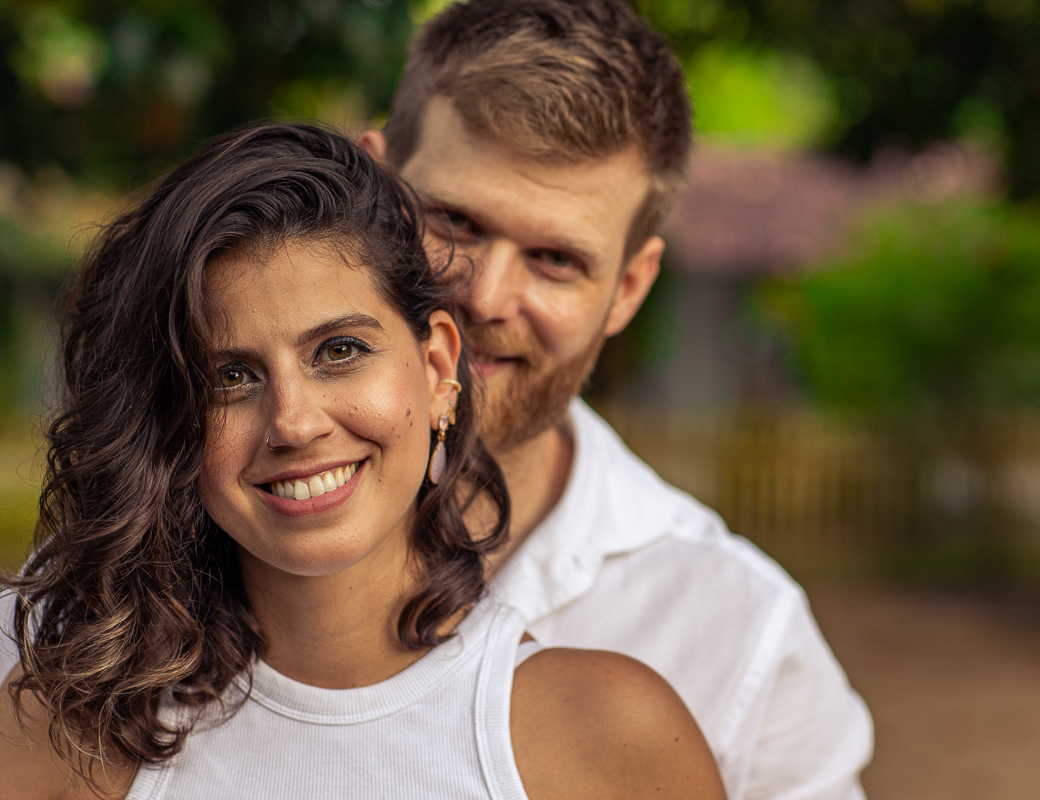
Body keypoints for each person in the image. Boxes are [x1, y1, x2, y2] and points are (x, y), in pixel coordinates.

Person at [0, 124, 726, 800]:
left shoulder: (612, 740)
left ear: (440, 365)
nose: (293, 422)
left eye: (339, 351)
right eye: (229, 376)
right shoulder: (56, 738)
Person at [356, 2, 874, 798]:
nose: (486, 298)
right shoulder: (167, 539)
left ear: (629, 288)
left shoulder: (739, 635)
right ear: (371, 190)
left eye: (556, 259)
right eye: (455, 220)